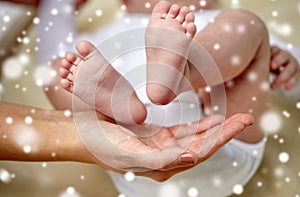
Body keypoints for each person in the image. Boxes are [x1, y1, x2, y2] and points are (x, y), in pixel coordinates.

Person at [57, 2, 299, 196]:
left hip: (216, 133)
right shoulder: (108, 31)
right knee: (58, 69)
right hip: (127, 149)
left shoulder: (217, 18)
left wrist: (287, 65)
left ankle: (180, 75)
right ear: (126, 3)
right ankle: (123, 110)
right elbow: (53, 44)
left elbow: (293, 87)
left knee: (247, 25)